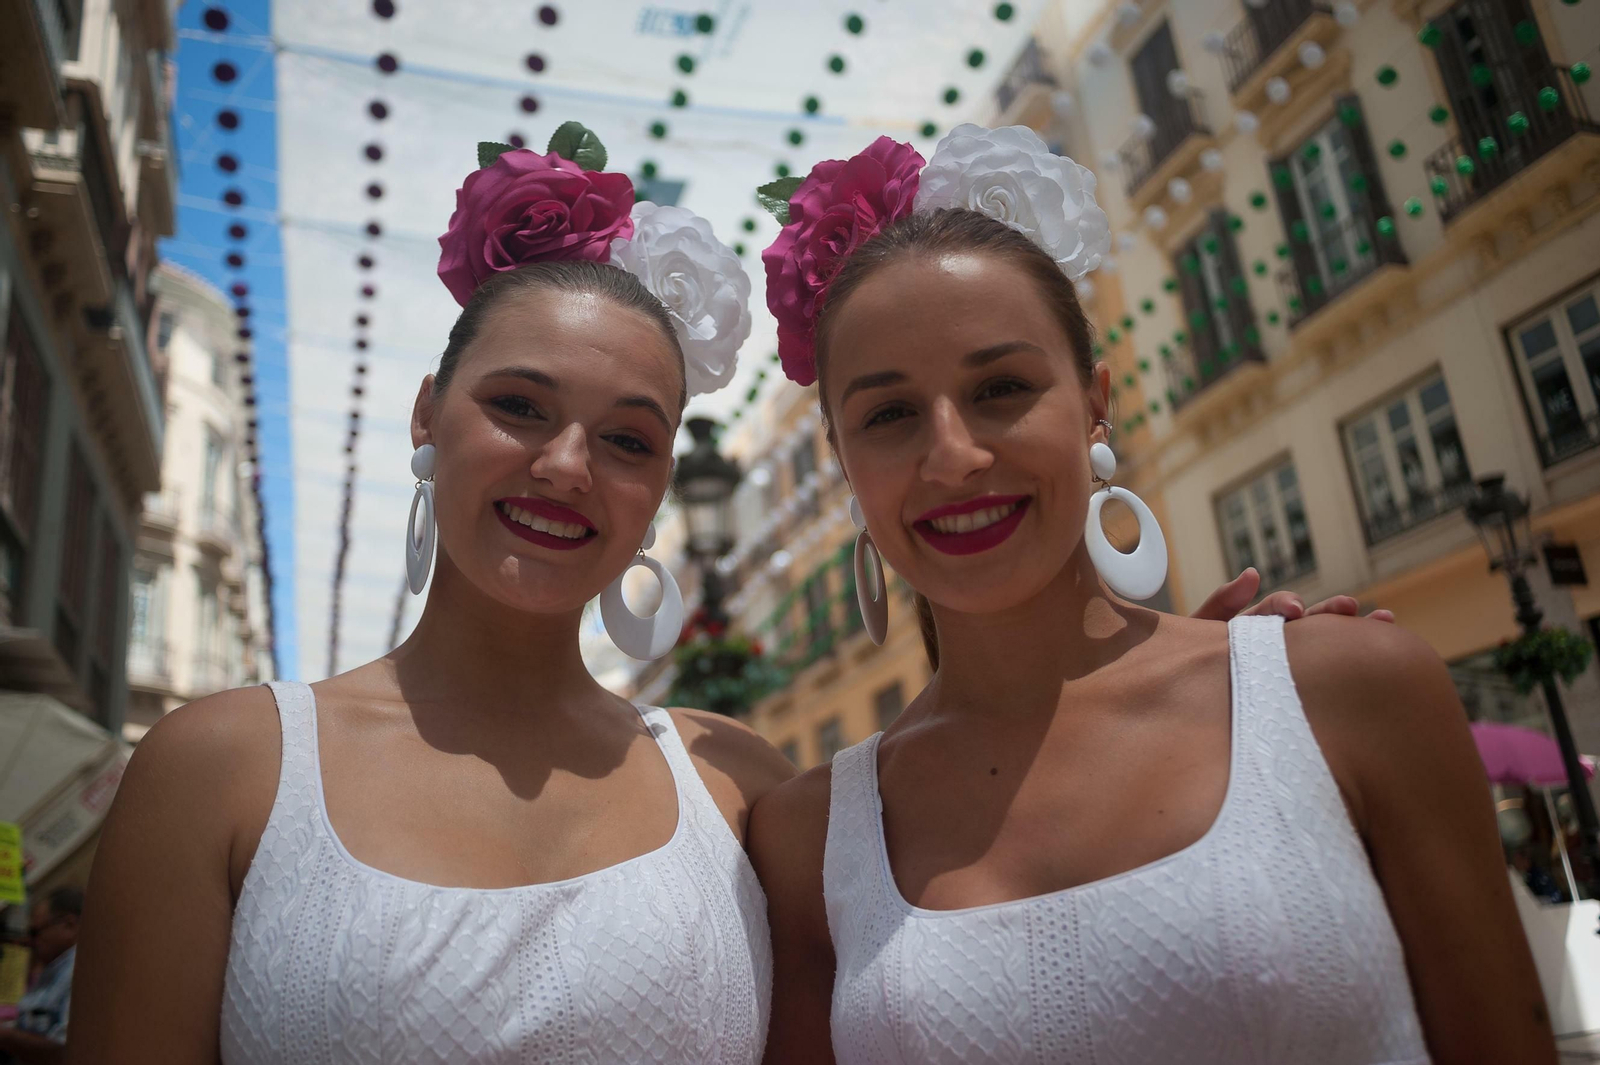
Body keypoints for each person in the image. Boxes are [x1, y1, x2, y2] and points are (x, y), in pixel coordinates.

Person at [750, 126, 1556, 1064]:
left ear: (1096, 402)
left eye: (1002, 386)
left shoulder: (1350, 690)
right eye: (888, 414)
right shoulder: (807, 839)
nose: (955, 455)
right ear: (843, 459)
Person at [66, 128, 789, 1064]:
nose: (566, 466)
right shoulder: (220, 769)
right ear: (427, 414)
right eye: (520, 406)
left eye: (628, 440)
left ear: (657, 490)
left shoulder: (740, 787)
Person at [0, 887, 82, 1065]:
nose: (30, 941)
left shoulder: (79, 972)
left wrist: (6, 1036)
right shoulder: (53, 968)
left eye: (35, 932)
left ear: (69, 925)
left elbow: (64, 1053)